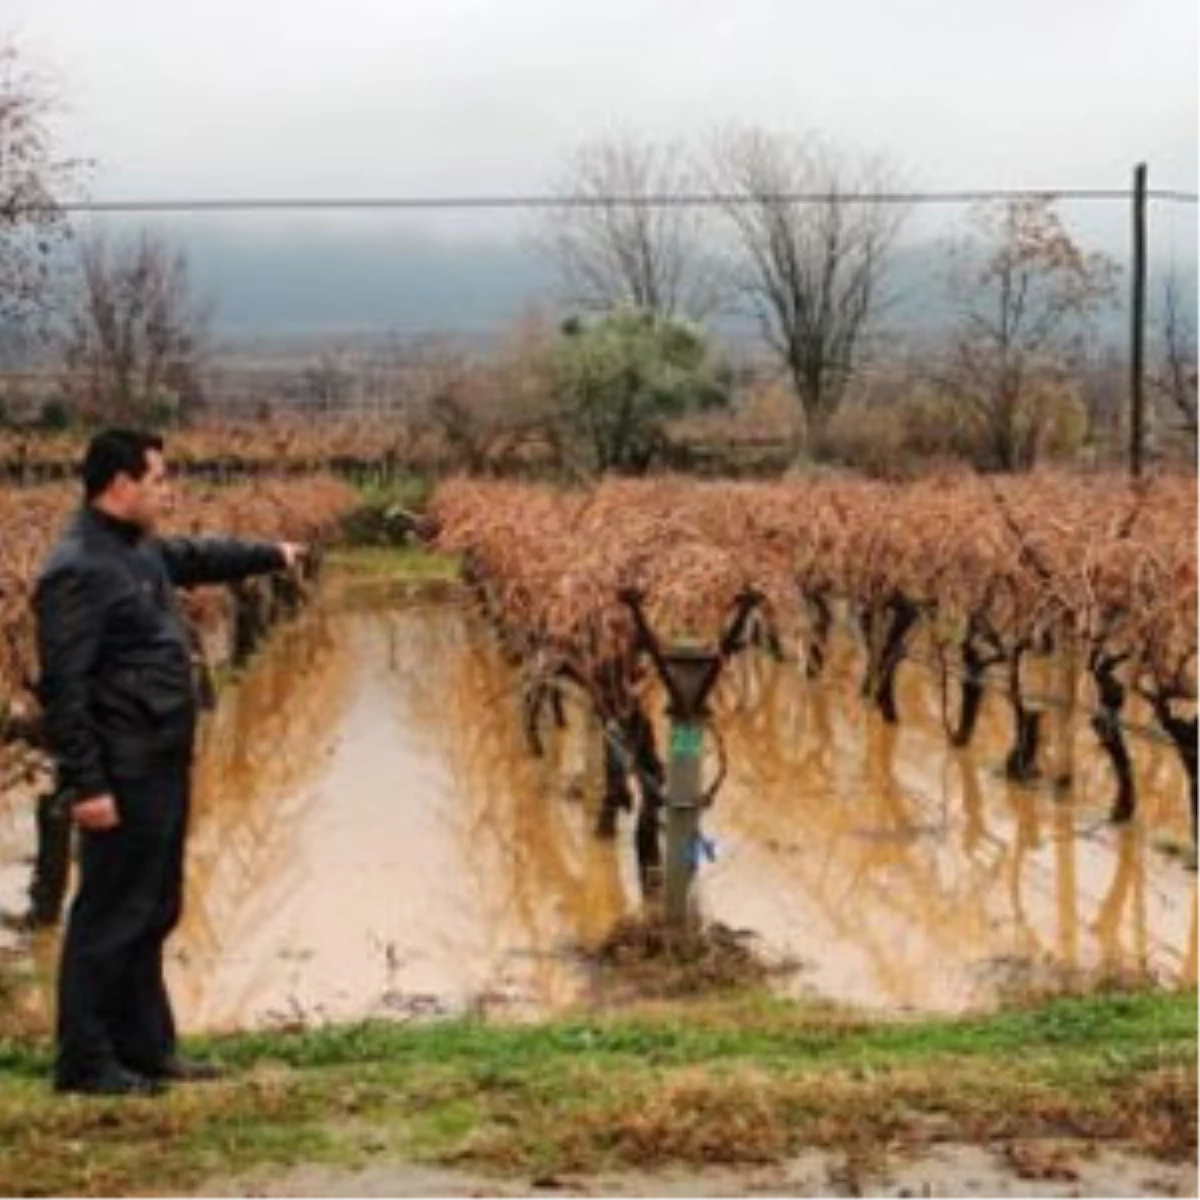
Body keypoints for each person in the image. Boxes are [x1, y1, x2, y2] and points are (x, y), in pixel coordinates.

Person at [34, 429, 304, 1096]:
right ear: (121, 485)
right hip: (120, 773)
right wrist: (87, 785)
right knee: (109, 914)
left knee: (153, 908)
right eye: (158, 480)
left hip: (156, 761)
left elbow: (194, 555)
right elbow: (65, 690)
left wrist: (270, 553)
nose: (169, 490)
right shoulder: (78, 566)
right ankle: (85, 1062)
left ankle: (147, 1048)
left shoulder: (134, 551)